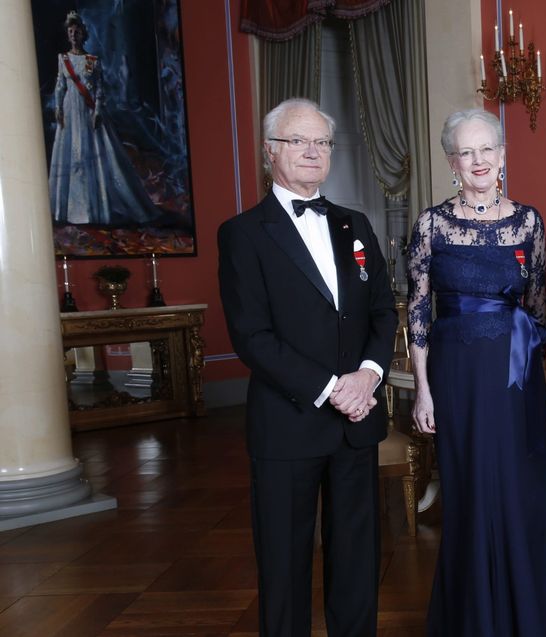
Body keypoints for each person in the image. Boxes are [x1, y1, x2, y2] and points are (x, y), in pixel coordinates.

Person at [407, 108, 546, 637]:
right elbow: (419, 311)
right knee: (469, 492)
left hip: (515, 382)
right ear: (451, 162)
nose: (478, 160)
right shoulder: (431, 224)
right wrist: (424, 391)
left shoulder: (528, 222)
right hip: (456, 380)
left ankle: (531, 615)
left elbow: (539, 310)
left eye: (487, 149)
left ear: (503, 156)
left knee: (520, 490)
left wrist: (527, 373)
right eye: (466, 151)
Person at [218, 98, 397, 637]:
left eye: (321, 142)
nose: (312, 151)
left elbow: (385, 310)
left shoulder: (355, 224)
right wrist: (329, 388)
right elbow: (252, 337)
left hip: (357, 422)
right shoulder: (243, 233)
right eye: (299, 141)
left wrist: (368, 375)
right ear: (270, 151)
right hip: (287, 425)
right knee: (284, 564)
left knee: (357, 561)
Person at [48, 10, 161, 226]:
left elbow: (100, 89)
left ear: (83, 34)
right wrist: (58, 109)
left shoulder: (92, 60)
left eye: (77, 31)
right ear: (67, 34)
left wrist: (98, 109)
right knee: (72, 157)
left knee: (97, 155)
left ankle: (97, 208)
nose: (74, 35)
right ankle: (72, 210)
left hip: (89, 112)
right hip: (71, 112)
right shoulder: (63, 59)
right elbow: (60, 86)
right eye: (70, 31)